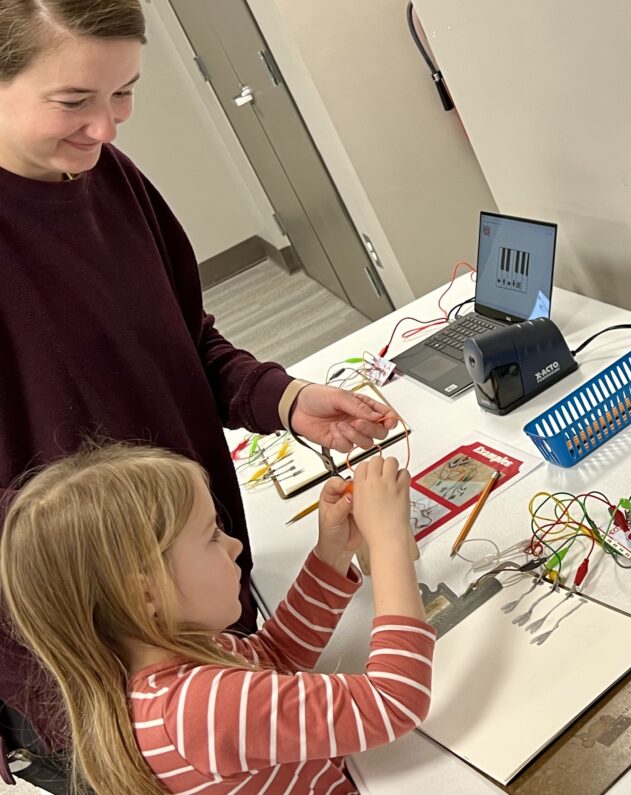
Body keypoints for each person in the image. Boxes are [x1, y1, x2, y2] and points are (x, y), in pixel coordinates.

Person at [0, 0, 398, 772]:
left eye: (125, 91)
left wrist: (281, 399)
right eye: (75, 101)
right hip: (83, 663)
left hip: (197, 596)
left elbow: (187, 340)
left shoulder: (110, 177)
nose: (108, 128)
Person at [0, 444, 433, 795]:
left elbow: (271, 656)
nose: (233, 546)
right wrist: (389, 541)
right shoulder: (197, 710)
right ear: (145, 593)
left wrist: (332, 554)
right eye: (210, 535)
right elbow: (394, 700)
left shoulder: (171, 663)